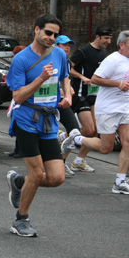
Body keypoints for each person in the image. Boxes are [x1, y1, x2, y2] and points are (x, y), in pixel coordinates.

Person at [5, 14, 70, 238]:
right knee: (37, 172)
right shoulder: (21, 59)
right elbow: (18, 97)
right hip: (26, 120)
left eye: (55, 34)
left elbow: (65, 78)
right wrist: (41, 78)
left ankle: (18, 182)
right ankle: (20, 220)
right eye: (48, 33)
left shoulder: (59, 54)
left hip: (49, 121)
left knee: (56, 178)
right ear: (36, 30)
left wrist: (68, 94)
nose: (51, 37)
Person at [60, 30, 129, 194]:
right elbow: (96, 79)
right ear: (122, 45)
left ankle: (120, 182)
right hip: (108, 108)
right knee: (106, 148)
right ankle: (75, 139)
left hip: (125, 108)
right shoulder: (112, 60)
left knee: (127, 143)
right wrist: (118, 84)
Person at [65, 26, 113, 173]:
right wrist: (82, 77)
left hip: (94, 95)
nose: (109, 41)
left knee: (94, 132)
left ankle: (79, 161)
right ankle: (62, 150)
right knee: (88, 129)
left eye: (110, 38)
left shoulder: (103, 53)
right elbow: (68, 68)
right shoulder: (83, 51)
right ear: (97, 37)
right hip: (80, 94)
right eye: (106, 38)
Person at [53, 35, 82, 177]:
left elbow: (65, 79)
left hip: (63, 102)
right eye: (64, 44)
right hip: (48, 103)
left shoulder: (67, 62)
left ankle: (62, 163)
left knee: (74, 131)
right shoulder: (49, 59)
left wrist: (68, 90)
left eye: (69, 45)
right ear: (56, 45)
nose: (67, 47)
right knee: (44, 135)